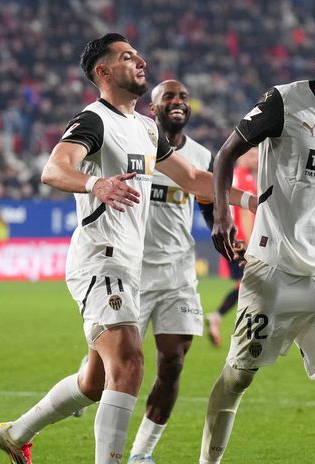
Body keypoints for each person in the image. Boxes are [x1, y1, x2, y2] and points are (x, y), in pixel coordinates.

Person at [0, 33, 256, 464]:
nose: (141, 61)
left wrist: (249, 199)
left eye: (137, 54)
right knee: (130, 361)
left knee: (95, 383)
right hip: (100, 259)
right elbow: (54, 169)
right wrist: (97, 183)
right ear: (104, 72)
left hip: (129, 267)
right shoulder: (94, 120)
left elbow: (192, 179)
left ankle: (16, 433)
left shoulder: (146, 127)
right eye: (127, 57)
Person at [202, 30, 315, 464]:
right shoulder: (282, 101)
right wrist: (222, 214)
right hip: (274, 266)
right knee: (238, 377)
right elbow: (226, 154)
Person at [123, 79, 214, 464]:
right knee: (119, 365)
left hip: (178, 272)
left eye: (183, 98)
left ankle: (141, 454)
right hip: (134, 271)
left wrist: (227, 238)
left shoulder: (201, 156)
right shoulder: (133, 144)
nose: (178, 103)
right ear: (152, 108)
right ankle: (85, 380)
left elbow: (209, 204)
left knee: (173, 363)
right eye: (168, 98)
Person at [205, 148, 258, 347]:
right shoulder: (244, 179)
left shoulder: (231, 178)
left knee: (247, 285)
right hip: (242, 244)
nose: (257, 159)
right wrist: (251, 244)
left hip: (232, 241)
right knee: (251, 286)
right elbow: (245, 214)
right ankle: (245, 330)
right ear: (241, 156)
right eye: (252, 155)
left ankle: (219, 318)